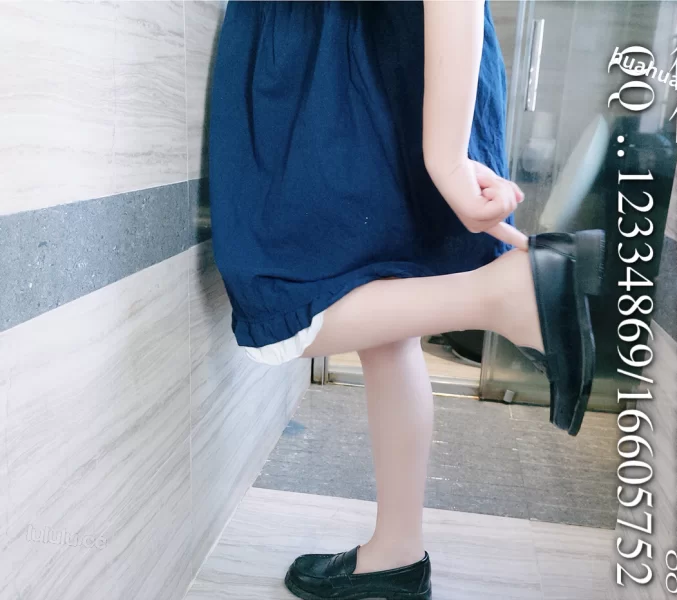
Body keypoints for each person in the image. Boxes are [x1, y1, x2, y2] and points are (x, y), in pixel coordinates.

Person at [209, 2, 605, 599]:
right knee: (389, 321)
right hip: (381, 55)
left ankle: (503, 297)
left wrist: (445, 156)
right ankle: (395, 555)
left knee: (282, 309)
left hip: (345, 64)